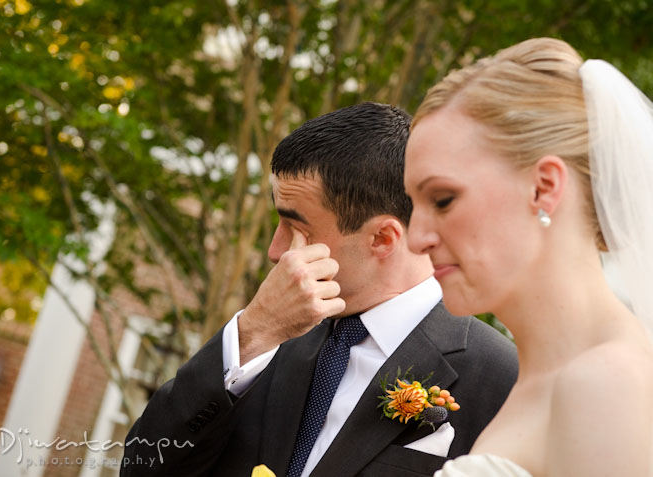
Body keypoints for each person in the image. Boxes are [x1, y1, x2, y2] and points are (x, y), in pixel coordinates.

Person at [121, 102, 518, 477]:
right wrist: (254, 333)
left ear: (382, 238)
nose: (275, 251)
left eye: (297, 227)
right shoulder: (260, 346)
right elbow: (140, 468)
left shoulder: (503, 379)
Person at [404, 37, 653, 476]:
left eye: (442, 200)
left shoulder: (607, 382)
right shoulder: (540, 382)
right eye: (412, 208)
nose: (415, 238)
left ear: (544, 187)